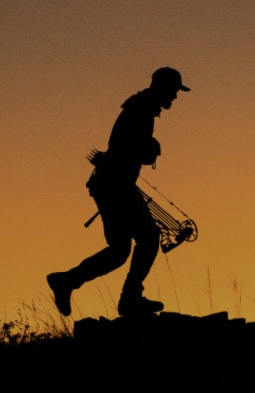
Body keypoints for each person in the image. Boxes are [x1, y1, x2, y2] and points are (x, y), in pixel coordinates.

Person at [48, 67, 191, 317]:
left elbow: (126, 148)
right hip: (116, 187)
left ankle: (66, 281)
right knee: (148, 237)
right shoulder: (141, 110)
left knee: (119, 251)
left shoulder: (140, 108)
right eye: (173, 91)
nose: (175, 97)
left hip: (110, 186)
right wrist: (150, 147)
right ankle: (130, 299)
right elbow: (131, 148)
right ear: (162, 88)